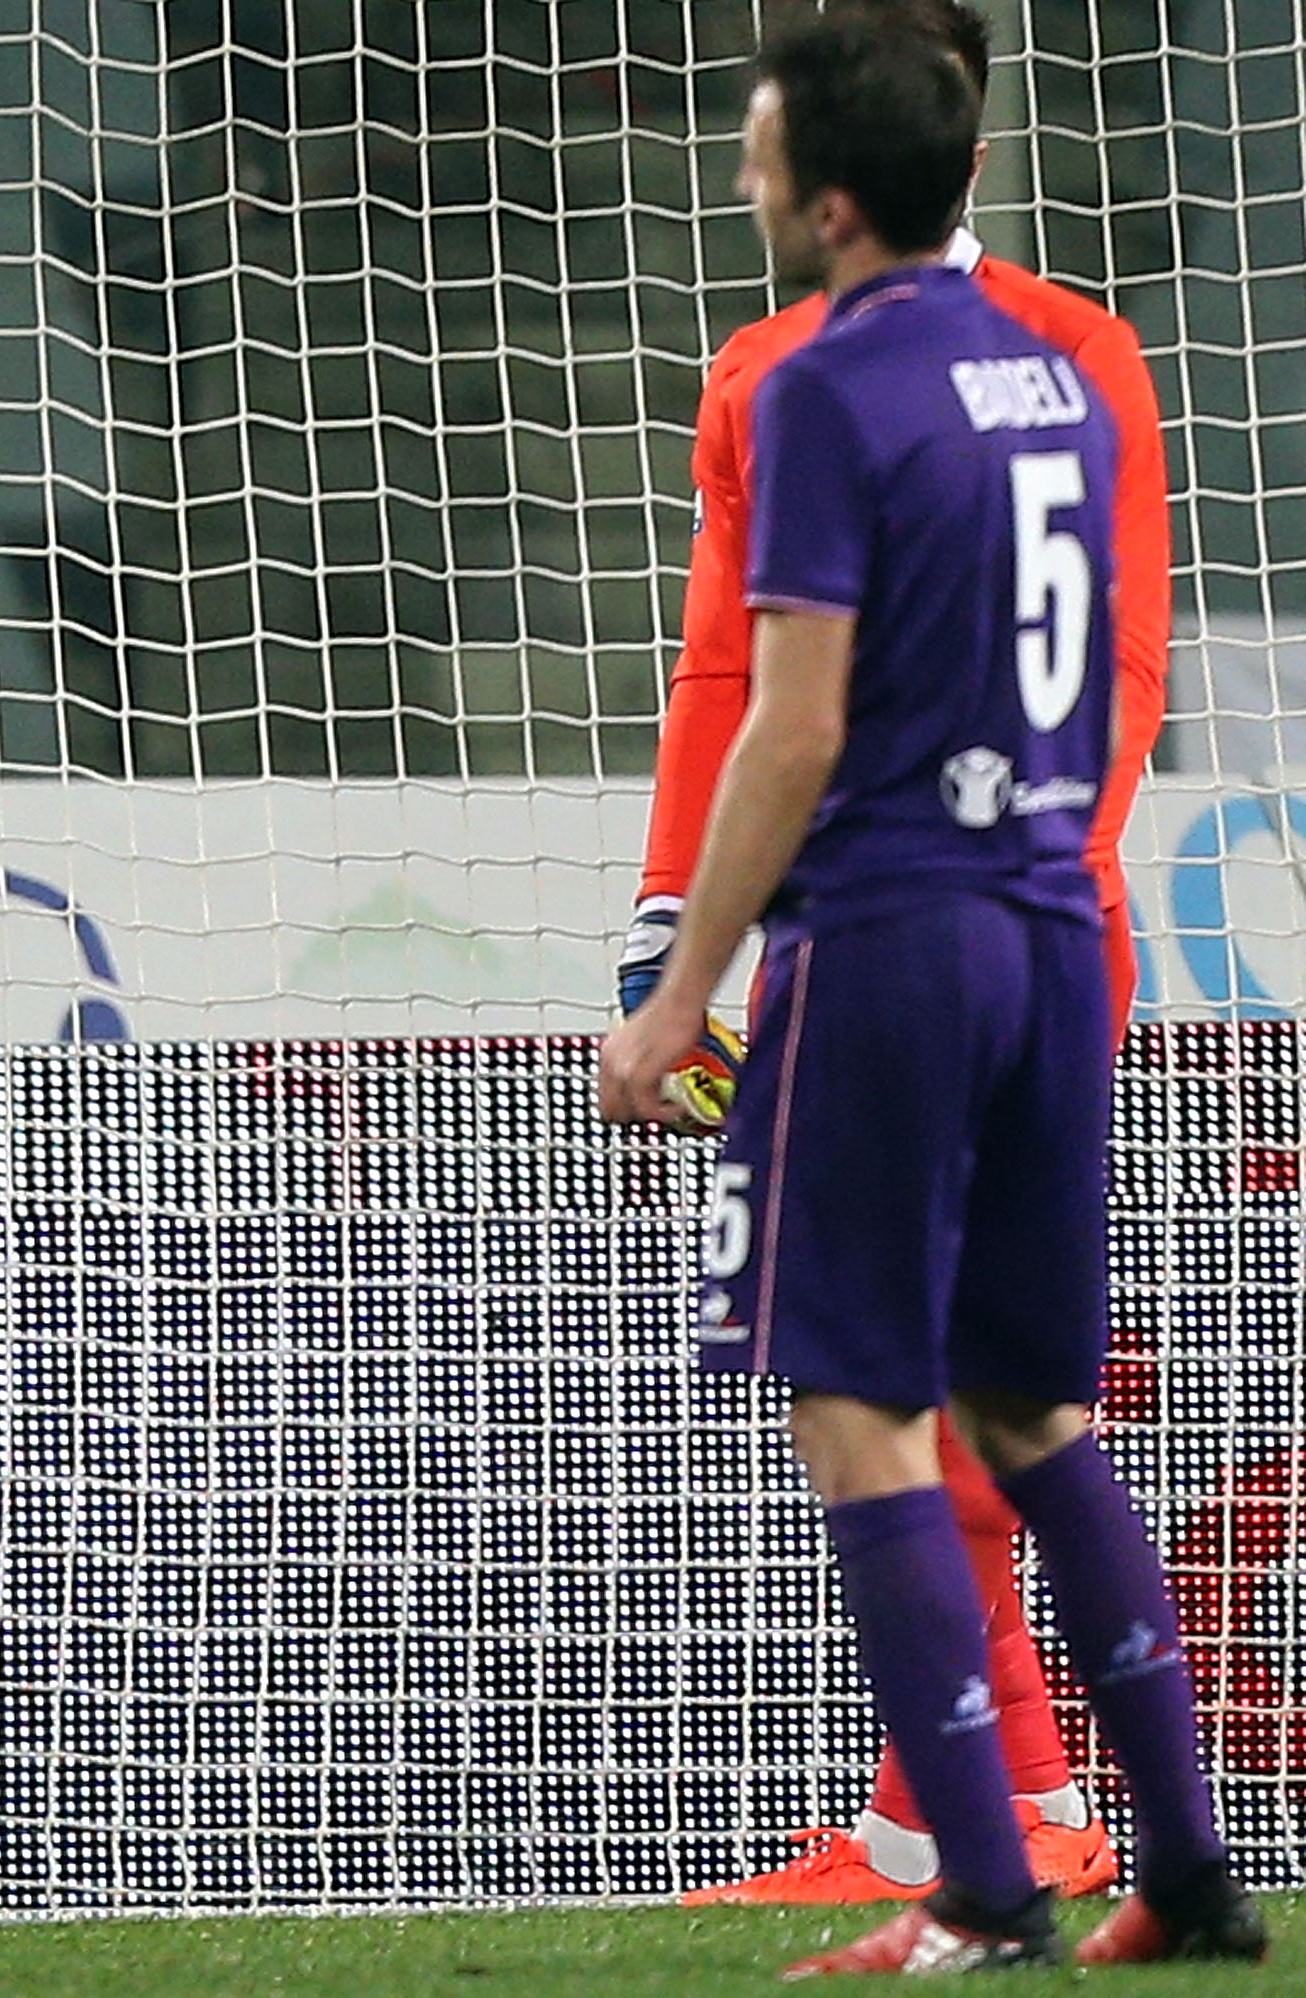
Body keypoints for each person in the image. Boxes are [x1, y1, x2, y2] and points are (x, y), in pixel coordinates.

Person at [600, 12, 1266, 1977]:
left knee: (857, 1405)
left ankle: (979, 1877)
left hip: (891, 929)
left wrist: (680, 978)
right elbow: (1117, 657)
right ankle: (1188, 1870)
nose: (740, 174)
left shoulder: (815, 382)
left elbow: (788, 716)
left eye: (756, 148)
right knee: (1038, 1408)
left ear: (827, 196)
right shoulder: (1067, 368)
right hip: (1055, 926)